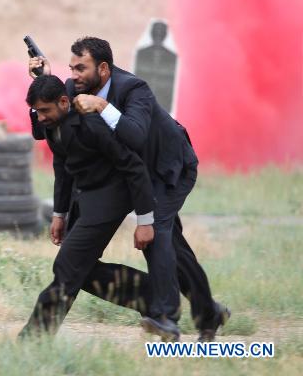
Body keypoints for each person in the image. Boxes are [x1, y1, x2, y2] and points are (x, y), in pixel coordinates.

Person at [28, 37, 229, 341]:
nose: (74, 75)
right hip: (128, 176)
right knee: (175, 250)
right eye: (71, 69)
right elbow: (51, 114)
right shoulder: (73, 90)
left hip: (166, 167)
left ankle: (164, 316)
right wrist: (44, 77)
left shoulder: (134, 89)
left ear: (104, 68)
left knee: (156, 231)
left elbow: (135, 136)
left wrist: (103, 105)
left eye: (81, 68)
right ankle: (208, 313)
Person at [19, 74, 157, 338]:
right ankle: (150, 293)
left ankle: (33, 339)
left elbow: (134, 167)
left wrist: (145, 220)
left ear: (63, 102)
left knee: (67, 267)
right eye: (36, 112)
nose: (40, 118)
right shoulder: (51, 121)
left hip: (110, 199)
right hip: (85, 199)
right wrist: (60, 214)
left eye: (45, 111)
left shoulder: (92, 125)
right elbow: (62, 170)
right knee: (81, 269)